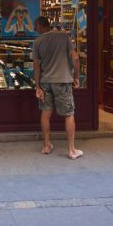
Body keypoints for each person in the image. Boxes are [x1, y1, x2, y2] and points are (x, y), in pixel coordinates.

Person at [32, 16, 83, 159]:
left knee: (45, 113)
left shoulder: (37, 42)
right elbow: (76, 59)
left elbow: (36, 67)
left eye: (36, 28)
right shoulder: (64, 37)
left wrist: (37, 86)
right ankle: (72, 150)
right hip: (63, 81)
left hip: (45, 82)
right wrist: (76, 77)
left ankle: (47, 145)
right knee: (68, 114)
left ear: (41, 26)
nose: (36, 31)